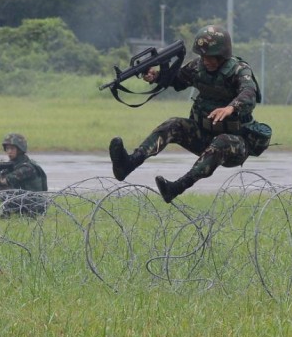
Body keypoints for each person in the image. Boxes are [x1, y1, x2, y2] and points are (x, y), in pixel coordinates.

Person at [107, 24, 270, 203]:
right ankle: (129, 163)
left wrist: (231, 107)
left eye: (210, 56)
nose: (205, 59)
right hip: (204, 136)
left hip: (236, 145)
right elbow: (177, 80)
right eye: (202, 55)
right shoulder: (197, 67)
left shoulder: (239, 70)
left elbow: (249, 92)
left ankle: (176, 187)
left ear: (222, 55)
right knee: (173, 124)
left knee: (222, 141)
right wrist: (156, 76)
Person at [0, 133, 48, 217]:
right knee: (5, 190)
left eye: (12, 148)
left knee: (7, 191)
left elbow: (4, 181)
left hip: (35, 205)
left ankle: (13, 214)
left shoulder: (27, 168)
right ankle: (10, 213)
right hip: (26, 201)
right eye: (7, 148)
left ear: (20, 149)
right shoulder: (13, 165)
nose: (9, 151)